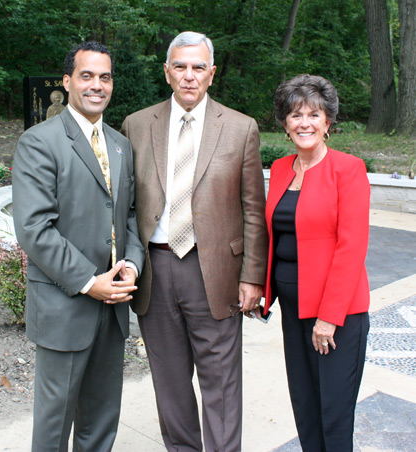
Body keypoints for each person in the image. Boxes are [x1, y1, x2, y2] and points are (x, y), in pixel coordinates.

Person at [121, 31, 267, 452]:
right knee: (169, 383)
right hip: (156, 269)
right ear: (167, 72)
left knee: (221, 382)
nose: (189, 75)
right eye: (180, 66)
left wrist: (252, 276)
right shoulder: (136, 125)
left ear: (212, 73)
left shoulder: (241, 128)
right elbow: (127, 206)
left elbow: (253, 209)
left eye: (198, 67)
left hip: (217, 271)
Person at [12, 41, 144, 451]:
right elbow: (34, 228)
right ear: (67, 81)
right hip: (65, 304)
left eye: (104, 77)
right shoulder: (39, 142)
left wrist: (132, 266)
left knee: (102, 420)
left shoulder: (121, 144)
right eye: (87, 75)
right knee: (55, 426)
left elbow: (130, 215)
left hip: (114, 305)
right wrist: (90, 281)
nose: (96, 85)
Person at [263, 74, 370, 452]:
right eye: (295, 115)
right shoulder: (279, 169)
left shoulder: (349, 169)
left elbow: (351, 246)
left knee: (334, 413)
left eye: (313, 114)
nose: (303, 122)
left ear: (328, 123)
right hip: (294, 309)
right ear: (285, 123)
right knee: (306, 407)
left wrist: (329, 317)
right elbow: (273, 236)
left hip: (337, 313)